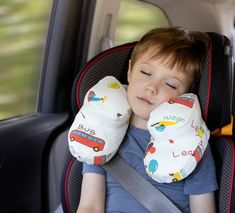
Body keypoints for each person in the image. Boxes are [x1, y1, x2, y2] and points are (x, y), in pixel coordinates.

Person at [76, 27, 218, 213]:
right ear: (129, 72)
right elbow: (90, 206)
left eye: (170, 84)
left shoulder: (191, 144)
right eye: (145, 72)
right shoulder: (101, 128)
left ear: (186, 96)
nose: (152, 87)